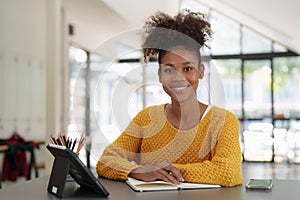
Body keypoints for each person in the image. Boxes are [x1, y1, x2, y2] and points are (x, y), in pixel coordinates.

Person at [96, 9, 243, 187]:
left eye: (187, 69)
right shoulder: (146, 118)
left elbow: (228, 172)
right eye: (169, 69)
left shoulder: (223, 121)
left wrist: (166, 172)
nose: (178, 77)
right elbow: (107, 160)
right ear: (159, 75)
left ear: (201, 72)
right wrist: (139, 171)